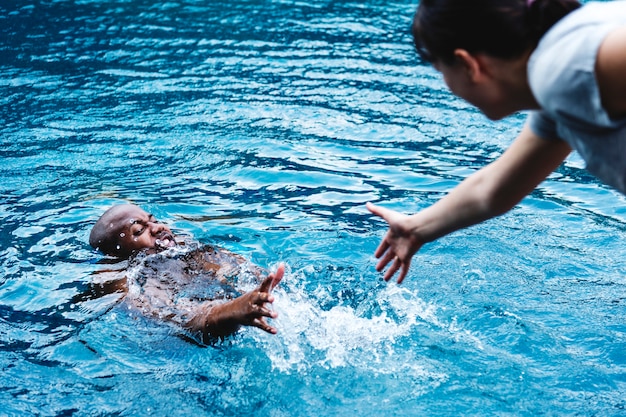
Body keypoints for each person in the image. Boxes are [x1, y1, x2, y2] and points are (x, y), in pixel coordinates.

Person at [367, 0, 626, 283]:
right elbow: (492, 190)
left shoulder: (563, 69)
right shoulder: (558, 96)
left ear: (468, 64)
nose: (447, 85)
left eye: (441, 72)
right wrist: (416, 228)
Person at [88, 203, 284, 343]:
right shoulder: (118, 277)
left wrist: (260, 283)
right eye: (139, 230)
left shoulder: (183, 247)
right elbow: (176, 318)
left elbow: (234, 269)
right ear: (116, 253)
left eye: (153, 220)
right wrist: (232, 312)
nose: (158, 228)